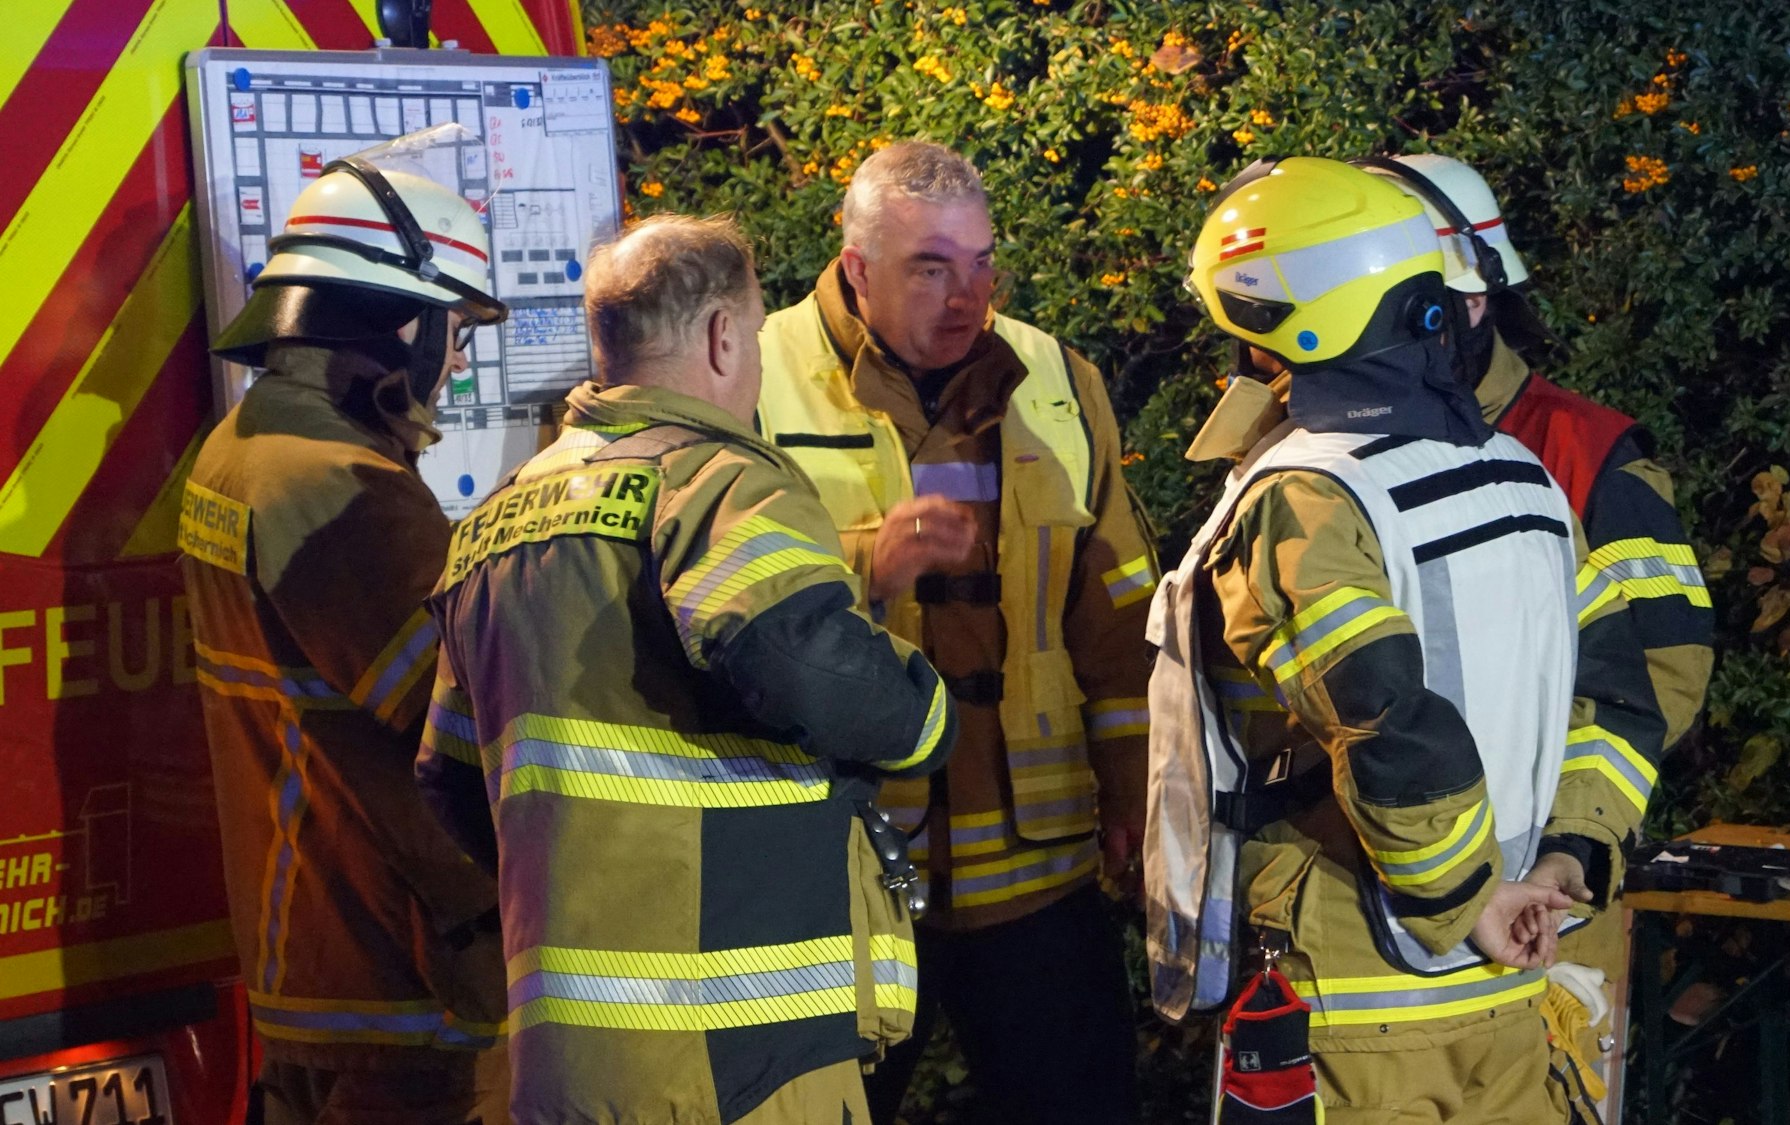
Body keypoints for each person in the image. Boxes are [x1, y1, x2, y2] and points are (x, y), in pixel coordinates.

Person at [1148, 157, 1667, 1122]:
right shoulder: (1523, 477)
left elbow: (1386, 719)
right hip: (1514, 984)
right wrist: (1566, 860)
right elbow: (1616, 698)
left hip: (1357, 998)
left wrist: (1461, 903)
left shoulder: (1306, 495)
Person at [414, 213, 956, 1125]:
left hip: (565, 1067)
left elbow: (450, 777)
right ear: (720, 335)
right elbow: (797, 660)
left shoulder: (494, 526)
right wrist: (923, 708)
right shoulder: (719, 480)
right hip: (741, 1053)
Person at [756, 140, 1156, 1124]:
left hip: (1038, 874)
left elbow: (1118, 616)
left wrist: (1142, 797)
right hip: (837, 876)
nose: (966, 294)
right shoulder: (752, 380)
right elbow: (712, 610)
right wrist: (862, 568)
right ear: (855, 267)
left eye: (980, 263)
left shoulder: (1056, 377)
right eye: (929, 267)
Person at [1361, 153, 1714, 1110]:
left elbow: (1663, 680)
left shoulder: (1583, 452)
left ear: (1471, 304)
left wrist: (1560, 851)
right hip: (1377, 929)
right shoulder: (1324, 453)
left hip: (1548, 910)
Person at [178, 130, 511, 1124]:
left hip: (315, 946)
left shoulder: (246, 445)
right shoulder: (339, 486)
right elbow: (470, 711)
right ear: (397, 324)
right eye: (453, 327)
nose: (455, 359)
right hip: (394, 969)